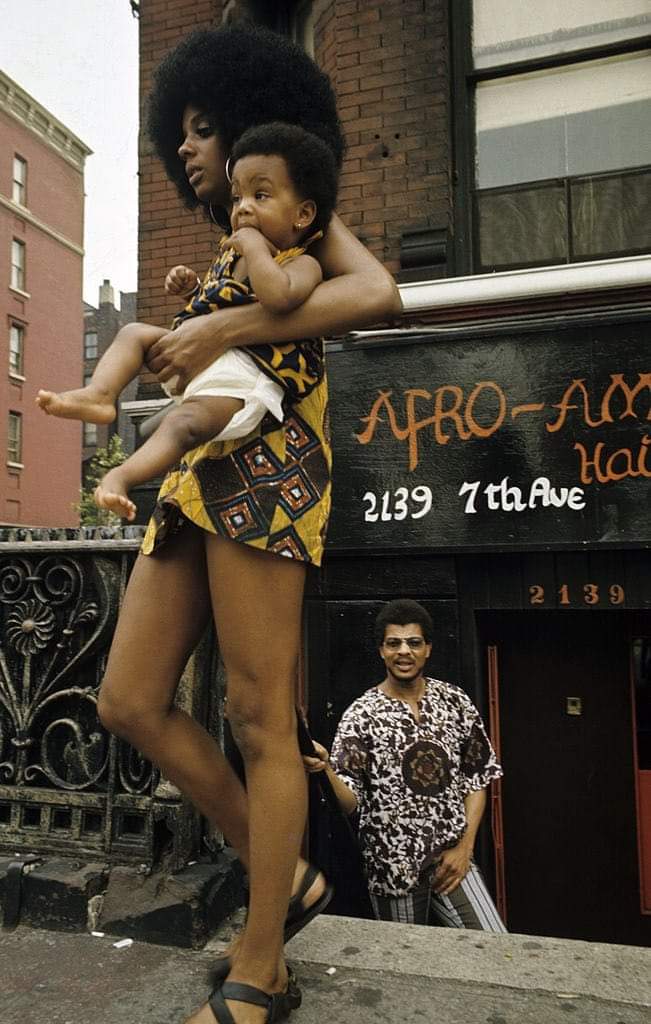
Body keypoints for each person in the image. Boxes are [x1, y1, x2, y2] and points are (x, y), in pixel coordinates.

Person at [79, 24, 400, 1024]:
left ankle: (262, 964)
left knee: (263, 721)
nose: (186, 150)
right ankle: (289, 878)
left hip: (269, 471)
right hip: (193, 478)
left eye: (202, 127)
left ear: (257, 122)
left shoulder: (302, 218)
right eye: (177, 135)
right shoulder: (225, 237)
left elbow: (379, 292)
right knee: (129, 698)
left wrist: (224, 326)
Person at [36, 123, 338, 522]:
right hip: (205, 356)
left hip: (247, 375)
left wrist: (252, 246)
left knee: (184, 424)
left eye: (260, 195)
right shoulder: (230, 258)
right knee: (132, 332)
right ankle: (100, 394)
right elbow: (215, 308)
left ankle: (119, 477)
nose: (243, 208)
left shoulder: (302, 263)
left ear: (303, 214)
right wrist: (192, 289)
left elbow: (278, 297)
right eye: (238, 198)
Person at [304, 599, 507, 931]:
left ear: (428, 648)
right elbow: (350, 802)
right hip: (392, 869)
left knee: (492, 945)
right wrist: (325, 769)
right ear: (381, 650)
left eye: (414, 643)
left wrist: (465, 848)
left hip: (451, 860)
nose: (404, 651)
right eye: (393, 643)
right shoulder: (361, 715)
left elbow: (478, 778)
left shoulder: (454, 702)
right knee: (406, 959)